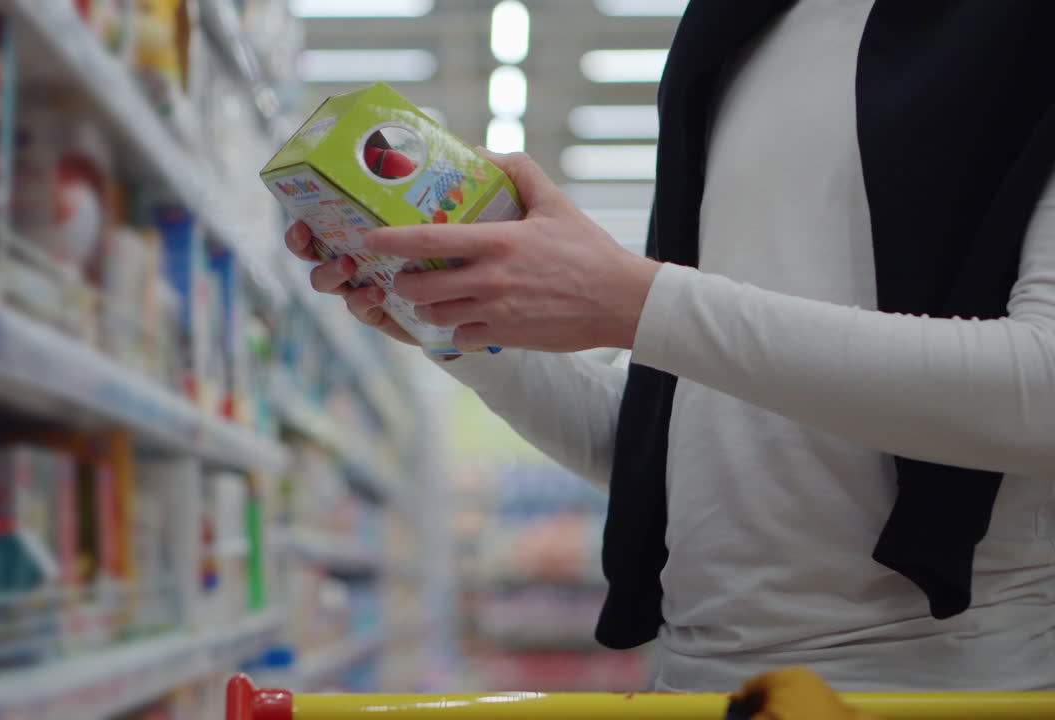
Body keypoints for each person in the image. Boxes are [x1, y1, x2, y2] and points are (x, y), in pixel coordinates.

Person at [285, 0, 1055, 692]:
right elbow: (672, 446)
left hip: (943, 688)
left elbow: (1041, 391)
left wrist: (635, 301)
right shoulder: (731, 37)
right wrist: (458, 322)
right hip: (695, 682)